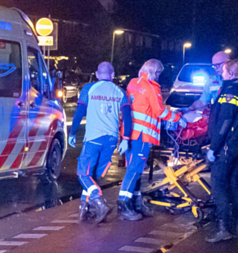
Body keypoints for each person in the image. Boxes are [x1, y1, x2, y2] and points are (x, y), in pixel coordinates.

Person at [119, 59, 182, 220]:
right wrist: (177, 118)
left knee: (135, 169)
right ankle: (124, 204)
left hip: (130, 133)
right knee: (134, 170)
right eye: (159, 72)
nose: (160, 76)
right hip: (143, 135)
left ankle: (136, 201)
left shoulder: (133, 83)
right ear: (155, 71)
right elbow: (160, 111)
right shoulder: (152, 87)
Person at [205, 59, 238, 242]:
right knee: (234, 184)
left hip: (226, 146)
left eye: (224, 71)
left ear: (231, 73)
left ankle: (223, 228)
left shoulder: (230, 92)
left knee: (218, 185)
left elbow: (224, 122)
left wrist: (213, 148)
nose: (222, 74)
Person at [68, 61, 126, 223]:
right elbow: (127, 115)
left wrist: (72, 132)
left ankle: (99, 203)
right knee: (93, 176)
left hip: (93, 139)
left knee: (84, 173)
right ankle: (84, 210)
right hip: (111, 140)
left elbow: (80, 111)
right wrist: (126, 138)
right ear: (112, 75)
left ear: (97, 74)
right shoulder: (119, 91)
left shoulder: (88, 89)